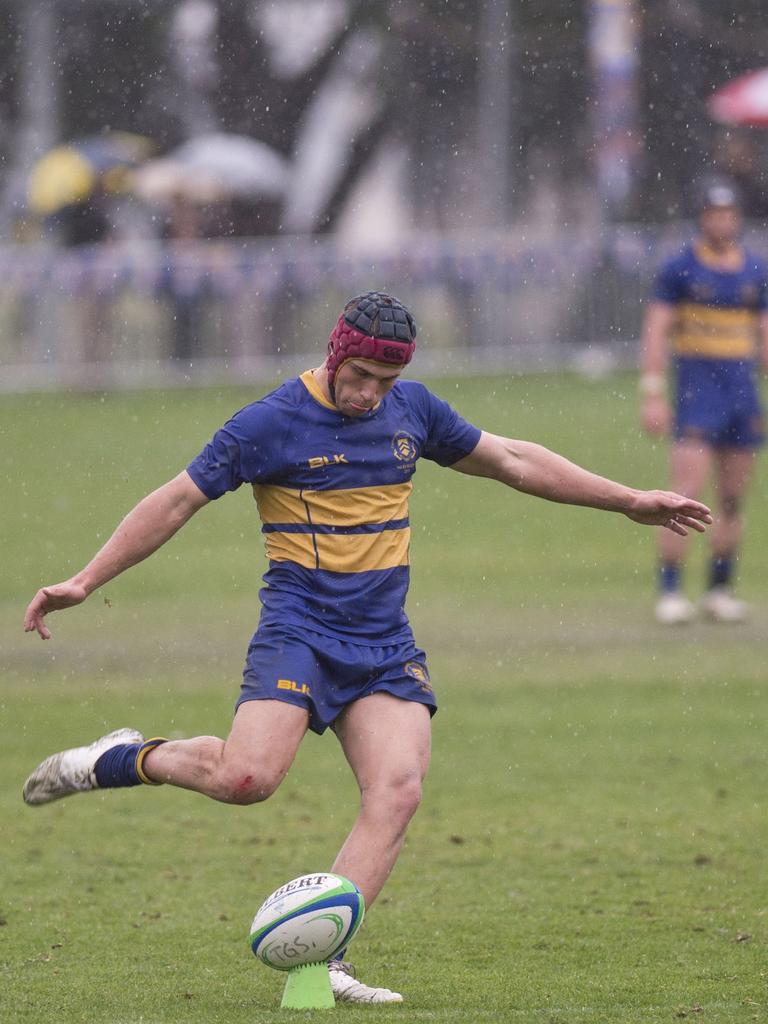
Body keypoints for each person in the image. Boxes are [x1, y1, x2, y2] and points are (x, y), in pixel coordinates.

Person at [23, 291, 711, 1003]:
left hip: (383, 641)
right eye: (360, 377)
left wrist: (629, 499)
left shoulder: (411, 411)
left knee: (398, 789)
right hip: (300, 631)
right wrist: (85, 580)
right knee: (246, 780)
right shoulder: (271, 422)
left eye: (384, 383)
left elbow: (511, 459)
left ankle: (320, 968)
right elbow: (175, 501)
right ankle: (121, 756)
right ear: (334, 354)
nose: (369, 396)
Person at [640, 183, 768, 625]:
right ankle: (671, 591)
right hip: (697, 397)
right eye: (714, 213)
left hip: (741, 397)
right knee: (684, 495)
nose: (722, 221)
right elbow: (655, 331)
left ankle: (719, 589)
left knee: (733, 498)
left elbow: (765, 338)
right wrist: (653, 392)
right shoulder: (680, 269)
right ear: (702, 218)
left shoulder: (755, 270)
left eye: (728, 213)